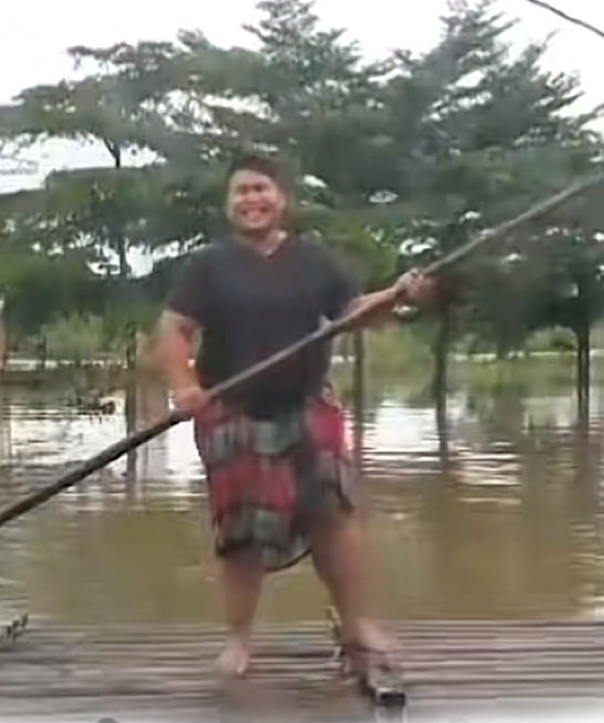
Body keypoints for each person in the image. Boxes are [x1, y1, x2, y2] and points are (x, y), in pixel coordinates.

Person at [155, 153, 436, 680]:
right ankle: (239, 640)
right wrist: (186, 385)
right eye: (240, 191)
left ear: (282, 199)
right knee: (241, 531)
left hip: (307, 403)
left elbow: (353, 315)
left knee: (336, 511)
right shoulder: (208, 266)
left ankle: (357, 624)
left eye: (260, 189)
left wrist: (398, 293)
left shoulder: (314, 260)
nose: (250, 200)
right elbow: (172, 329)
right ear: (228, 204)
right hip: (231, 408)